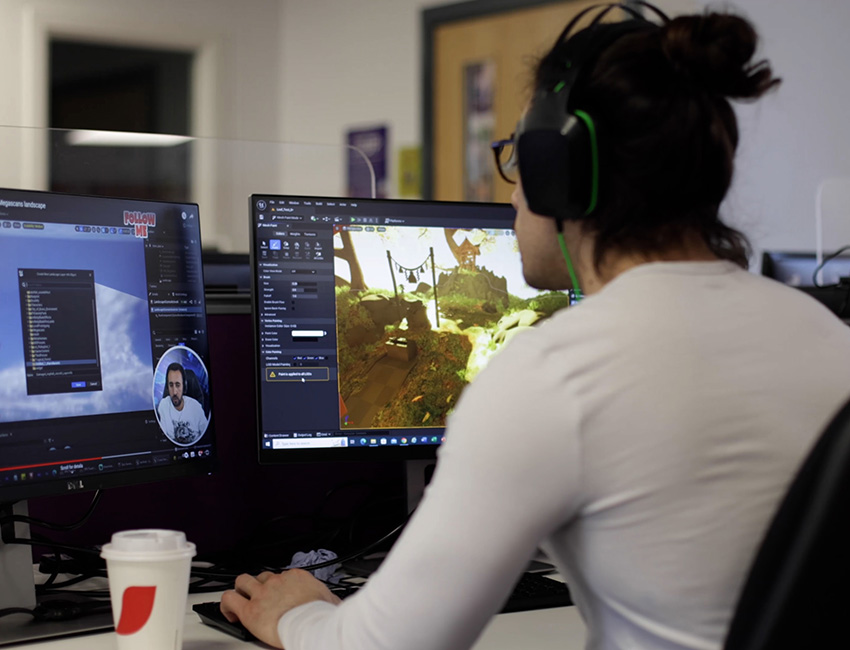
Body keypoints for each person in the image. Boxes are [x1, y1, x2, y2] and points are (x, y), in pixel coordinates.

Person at [221, 5, 850, 649]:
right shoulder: (826, 334)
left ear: (558, 173)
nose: (515, 195)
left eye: (520, 160)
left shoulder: (554, 371)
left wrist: (296, 613)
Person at [157, 361, 208, 444]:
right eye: (171, 385)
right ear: (167, 386)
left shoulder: (196, 407)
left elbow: (206, 436)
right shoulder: (163, 405)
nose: (174, 392)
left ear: (184, 386)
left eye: (178, 385)